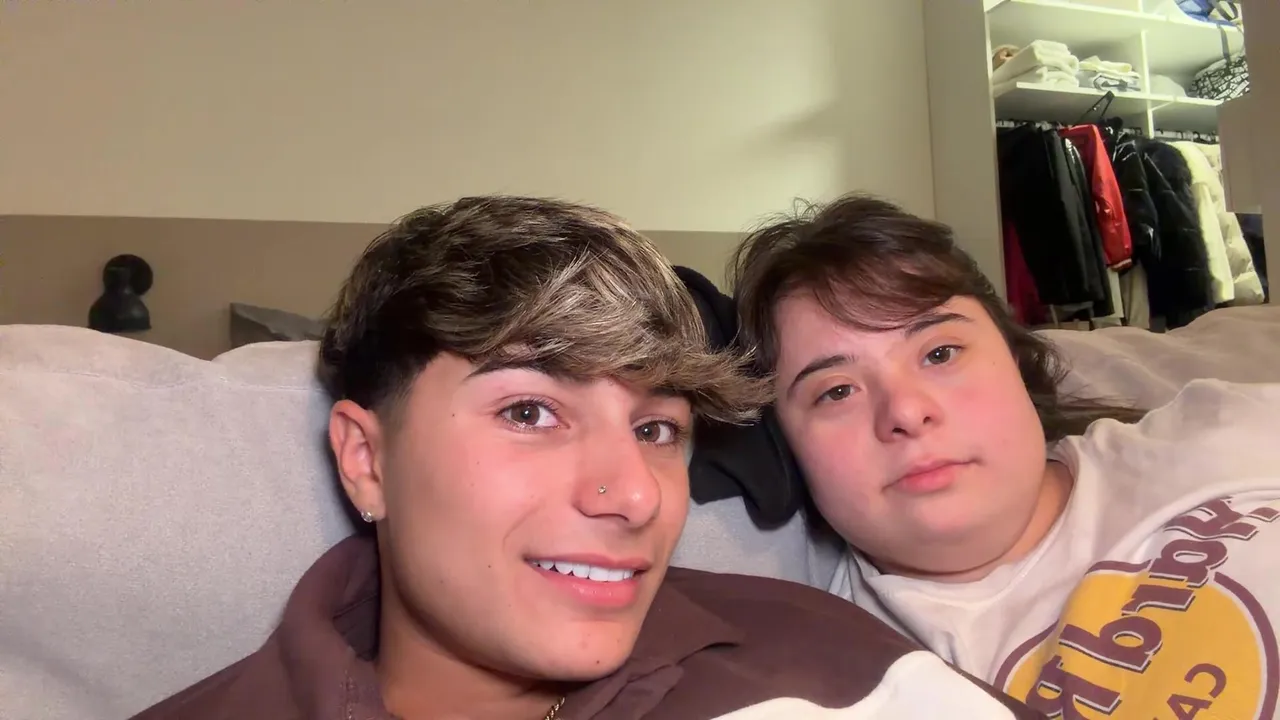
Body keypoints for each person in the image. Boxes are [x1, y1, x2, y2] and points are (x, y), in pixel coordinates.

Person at [129, 196, 1040, 720]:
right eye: (530, 411)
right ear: (367, 460)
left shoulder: (824, 656)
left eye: (656, 430)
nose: (635, 495)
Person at [730, 193, 1280, 719]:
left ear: (1015, 358)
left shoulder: (1225, 428)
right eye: (836, 391)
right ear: (785, 448)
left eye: (940, 353)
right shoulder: (833, 679)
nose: (906, 411)